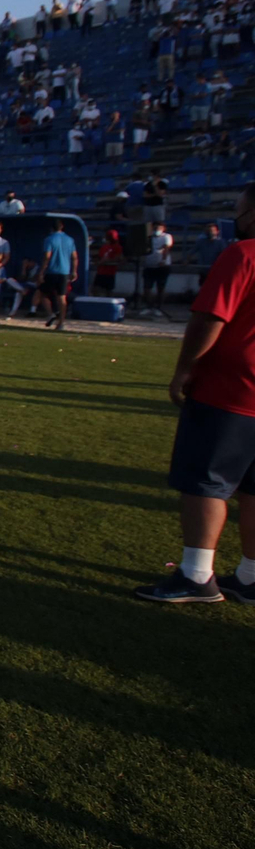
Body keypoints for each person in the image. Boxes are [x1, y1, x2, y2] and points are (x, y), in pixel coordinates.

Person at [135, 182, 255, 605]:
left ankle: (196, 574)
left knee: (206, 483)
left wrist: (185, 369)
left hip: (233, 390)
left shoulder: (242, 255)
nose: (235, 219)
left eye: (240, 211)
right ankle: (250, 576)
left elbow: (210, 318)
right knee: (253, 488)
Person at [39, 221, 78, 330]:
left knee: (42, 294)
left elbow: (47, 256)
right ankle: (61, 322)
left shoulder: (49, 239)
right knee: (62, 297)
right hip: (64, 272)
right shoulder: (70, 240)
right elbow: (74, 257)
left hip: (51, 271)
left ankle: (51, 313)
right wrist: (74, 271)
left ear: (52, 228)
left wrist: (41, 271)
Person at [142, 223, 174, 316]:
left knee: (160, 287)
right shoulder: (149, 237)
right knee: (147, 287)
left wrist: (163, 260)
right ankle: (149, 306)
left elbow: (166, 248)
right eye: (155, 228)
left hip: (162, 266)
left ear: (163, 228)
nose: (157, 229)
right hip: (149, 265)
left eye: (159, 228)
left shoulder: (167, 237)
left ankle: (159, 307)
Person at [92, 229, 124, 296]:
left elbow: (118, 258)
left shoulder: (118, 247)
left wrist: (106, 261)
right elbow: (100, 257)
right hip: (101, 272)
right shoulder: (104, 247)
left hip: (110, 273)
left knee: (108, 291)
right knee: (96, 289)